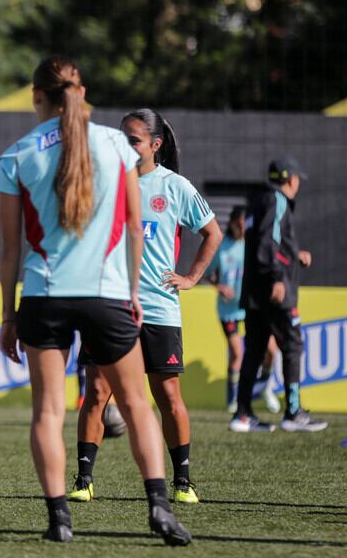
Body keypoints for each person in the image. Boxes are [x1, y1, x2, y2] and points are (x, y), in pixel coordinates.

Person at [0, 56, 191, 545]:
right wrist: (130, 293)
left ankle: (60, 518)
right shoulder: (116, 146)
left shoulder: (18, 154)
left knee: (47, 413)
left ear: (38, 96)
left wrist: (8, 315)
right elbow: (132, 228)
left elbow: (11, 250)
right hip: (107, 297)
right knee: (137, 404)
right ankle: (160, 508)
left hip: (45, 296)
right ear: (80, 92)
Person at [71, 109, 222, 506]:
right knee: (97, 392)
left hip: (158, 308)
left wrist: (190, 278)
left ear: (155, 146)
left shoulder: (174, 186)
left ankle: (183, 481)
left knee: (168, 394)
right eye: (122, 138)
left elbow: (212, 232)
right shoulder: (104, 182)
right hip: (109, 306)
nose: (126, 145)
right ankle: (84, 478)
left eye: (134, 140)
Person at [229, 157, 327, 433]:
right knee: (293, 345)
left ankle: (243, 414)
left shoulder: (257, 200)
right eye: (297, 180)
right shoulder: (276, 200)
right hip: (274, 288)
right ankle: (293, 413)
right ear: (290, 179)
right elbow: (268, 242)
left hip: (254, 290)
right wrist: (276, 276)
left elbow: (268, 240)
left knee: (256, 350)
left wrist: (296, 254)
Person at [208, 206, 280, 414]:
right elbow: (209, 272)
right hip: (229, 310)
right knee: (237, 353)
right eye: (238, 224)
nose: (242, 228)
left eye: (244, 224)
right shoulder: (222, 245)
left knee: (271, 350)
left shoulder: (255, 244)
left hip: (251, 306)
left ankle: (265, 387)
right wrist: (219, 286)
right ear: (231, 223)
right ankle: (232, 399)